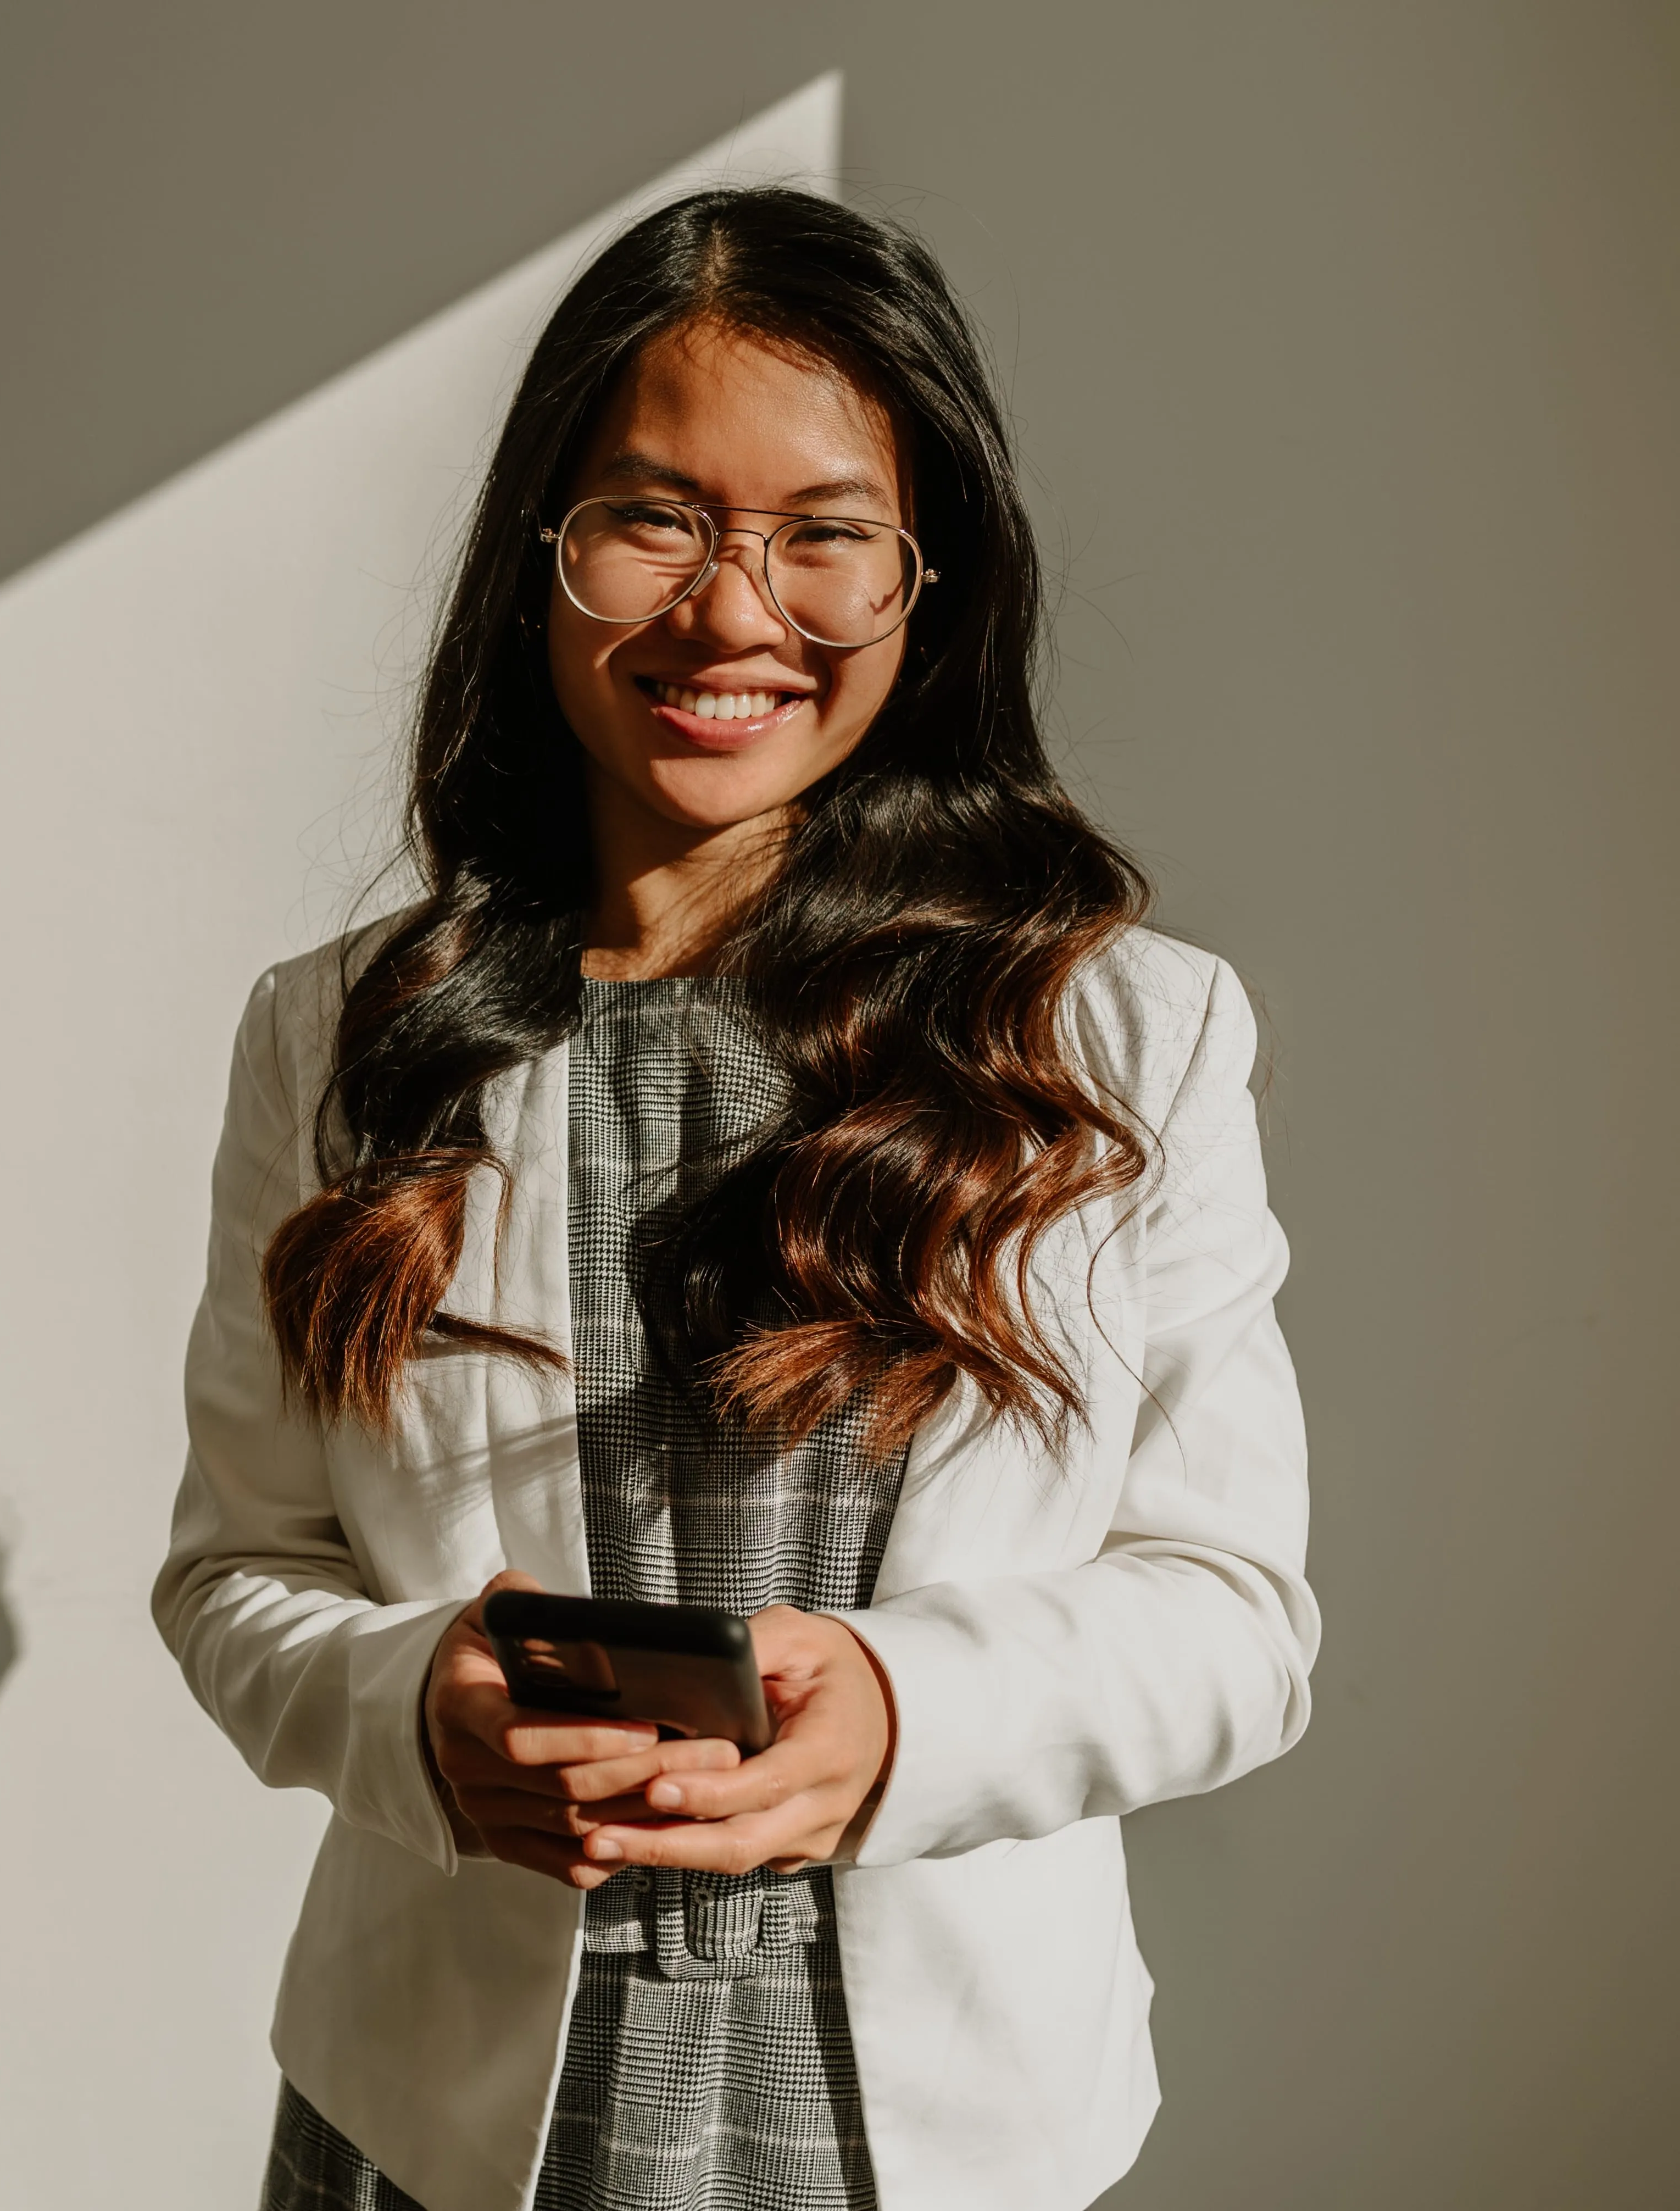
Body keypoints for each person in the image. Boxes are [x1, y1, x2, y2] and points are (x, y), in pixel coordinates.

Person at [152, 188, 1313, 2211]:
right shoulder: (341, 1036)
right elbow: (239, 1574)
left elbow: (1236, 1621)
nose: (731, 613)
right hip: (440, 2126)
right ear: (542, 550)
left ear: (928, 581)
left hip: (929, 2142)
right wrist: (416, 1714)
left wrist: (903, 1713)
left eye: (824, 533)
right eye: (655, 520)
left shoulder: (1121, 1037)